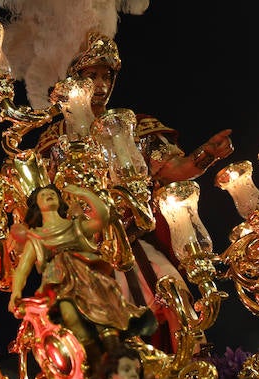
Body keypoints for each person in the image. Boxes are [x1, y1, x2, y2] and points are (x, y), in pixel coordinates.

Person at [35, 32, 234, 354]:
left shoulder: (131, 126)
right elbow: (40, 204)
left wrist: (207, 153)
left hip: (135, 240)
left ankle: (189, 372)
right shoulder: (51, 142)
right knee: (90, 330)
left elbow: (177, 169)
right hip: (84, 252)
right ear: (74, 79)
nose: (100, 85)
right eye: (91, 76)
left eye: (106, 76)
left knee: (175, 297)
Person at [9, 184, 156, 366]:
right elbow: (22, 269)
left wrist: (85, 193)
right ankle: (93, 361)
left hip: (89, 278)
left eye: (53, 193)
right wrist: (15, 293)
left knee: (105, 313)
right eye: (44, 195)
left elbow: (102, 217)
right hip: (59, 283)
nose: (49, 195)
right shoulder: (36, 237)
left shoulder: (75, 226)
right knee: (69, 316)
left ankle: (115, 354)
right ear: (36, 206)